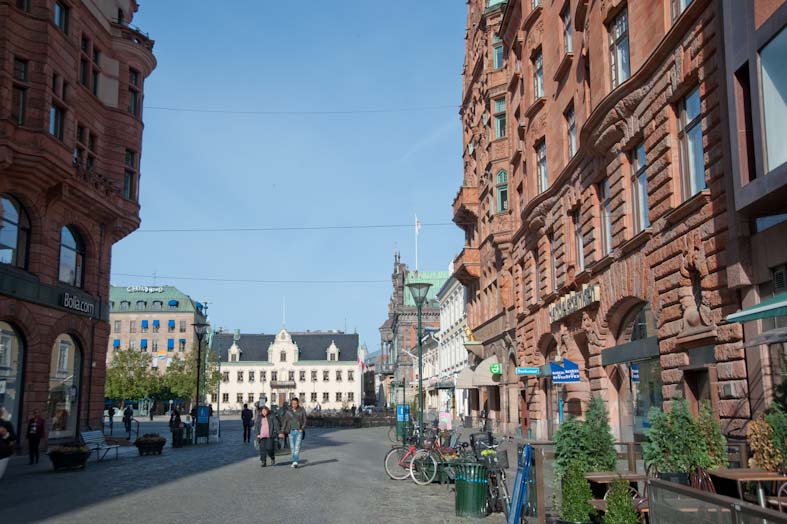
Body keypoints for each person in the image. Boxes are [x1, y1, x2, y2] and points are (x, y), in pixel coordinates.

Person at [278, 397, 307, 468]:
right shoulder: (288, 411)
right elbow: (285, 422)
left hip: (298, 431)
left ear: (298, 403)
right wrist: (282, 431)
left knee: (297, 447)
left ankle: (295, 461)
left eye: (295, 403)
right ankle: (294, 460)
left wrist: (302, 428)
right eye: (293, 403)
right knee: (292, 447)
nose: (294, 405)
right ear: (291, 403)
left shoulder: (302, 410)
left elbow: (305, 420)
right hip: (290, 431)